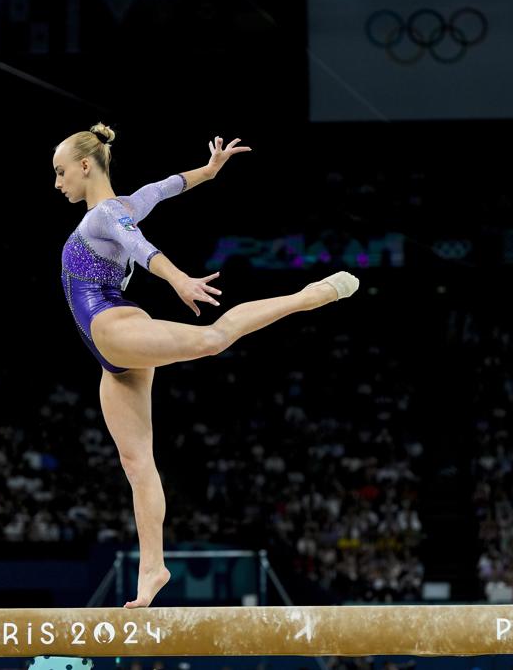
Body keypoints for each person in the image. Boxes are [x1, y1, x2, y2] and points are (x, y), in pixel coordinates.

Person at [52, 122, 359, 607]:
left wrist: (178, 279)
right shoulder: (124, 205)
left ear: (85, 166)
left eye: (60, 171)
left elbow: (141, 248)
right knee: (136, 462)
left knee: (213, 340)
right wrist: (209, 171)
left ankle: (308, 296)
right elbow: (167, 186)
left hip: (112, 327)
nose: (57, 182)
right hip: (111, 355)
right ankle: (153, 569)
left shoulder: (106, 215)